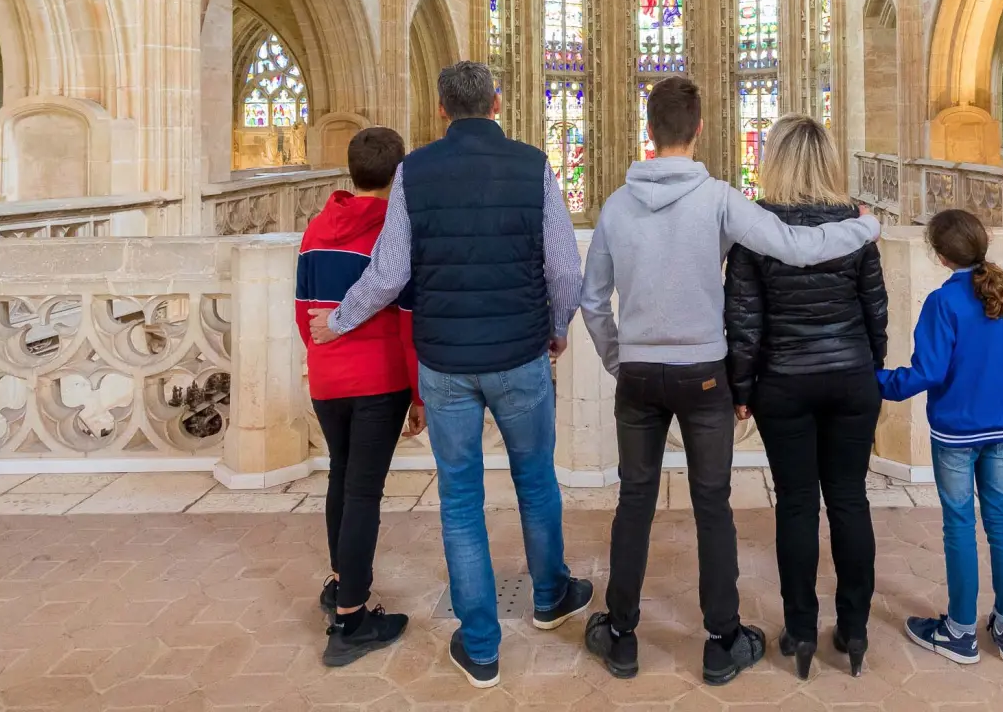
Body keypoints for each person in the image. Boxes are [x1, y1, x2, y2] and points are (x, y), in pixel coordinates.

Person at [577, 75, 881, 686]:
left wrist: (619, 358)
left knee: (633, 500)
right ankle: (722, 640)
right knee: (712, 503)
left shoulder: (614, 204)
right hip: (706, 376)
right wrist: (864, 228)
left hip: (638, 373)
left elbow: (591, 299)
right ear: (697, 131)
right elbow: (795, 247)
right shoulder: (719, 199)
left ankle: (622, 635)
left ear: (650, 131)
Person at [310, 62, 593, 690]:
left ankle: (482, 645)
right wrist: (556, 327)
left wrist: (341, 318)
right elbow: (565, 271)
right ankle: (550, 597)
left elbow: (387, 273)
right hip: (520, 356)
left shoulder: (414, 171)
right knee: (536, 479)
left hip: (444, 365)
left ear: (441, 110)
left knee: (460, 499)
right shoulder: (534, 164)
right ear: (497, 101)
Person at [722, 115, 886, 679]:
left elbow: (743, 321)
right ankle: (855, 629)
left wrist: (741, 388)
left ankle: (798, 630)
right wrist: (870, 370)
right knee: (849, 499)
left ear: (775, 162)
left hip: (783, 382)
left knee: (796, 503)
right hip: (850, 377)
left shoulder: (757, 228)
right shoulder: (857, 226)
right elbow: (875, 310)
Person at [878, 209, 1003, 666]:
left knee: (960, 525)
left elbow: (926, 372)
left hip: (956, 432)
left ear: (941, 256)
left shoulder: (943, 302)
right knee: (1002, 523)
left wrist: (875, 380)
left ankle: (961, 631)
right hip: (1002, 427)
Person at [294, 126, 423, 667]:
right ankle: (350, 619)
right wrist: (419, 394)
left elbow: (305, 313)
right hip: (379, 380)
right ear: (399, 176)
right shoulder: (394, 235)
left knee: (342, 479)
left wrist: (324, 354)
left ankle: (339, 581)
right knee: (364, 492)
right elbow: (410, 320)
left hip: (327, 379)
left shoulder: (317, 228)